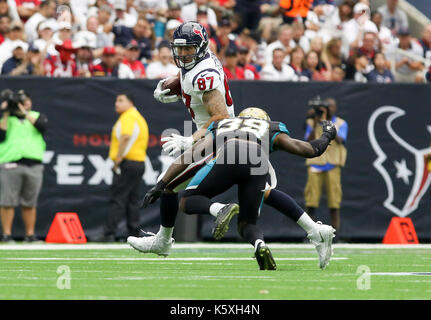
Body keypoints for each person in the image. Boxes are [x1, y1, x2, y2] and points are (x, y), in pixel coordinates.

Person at [134, 107, 337, 270]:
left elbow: (193, 153)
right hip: (257, 160)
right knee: (247, 223)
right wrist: (328, 135)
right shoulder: (271, 128)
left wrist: (162, 183)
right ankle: (260, 244)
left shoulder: (225, 125)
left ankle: (218, 209)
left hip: (230, 152)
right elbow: (310, 150)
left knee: (188, 201)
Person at [95, 93, 149, 241]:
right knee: (132, 199)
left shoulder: (128, 116)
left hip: (128, 162)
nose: (116, 103)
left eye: (120, 100)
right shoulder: (137, 116)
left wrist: (118, 158)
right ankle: (133, 232)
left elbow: (125, 136)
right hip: (138, 163)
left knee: (118, 198)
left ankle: (108, 233)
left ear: (130, 102)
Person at [0, 89, 47, 242]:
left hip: (33, 165)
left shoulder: (35, 115)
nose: (25, 103)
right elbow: (1, 135)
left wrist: (24, 112)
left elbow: (42, 127)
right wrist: (6, 113)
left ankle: (30, 234)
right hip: (10, 164)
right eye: (21, 101)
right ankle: (6, 234)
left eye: (27, 100)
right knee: (7, 201)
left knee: (30, 202)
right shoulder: (6, 119)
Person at [304, 97, 347, 235]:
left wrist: (327, 125)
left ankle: (336, 234)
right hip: (315, 165)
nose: (329, 109)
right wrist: (317, 122)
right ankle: (310, 234)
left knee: (334, 201)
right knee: (311, 201)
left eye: (331, 106)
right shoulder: (312, 122)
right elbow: (307, 140)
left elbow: (341, 140)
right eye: (327, 106)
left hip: (332, 165)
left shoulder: (340, 123)